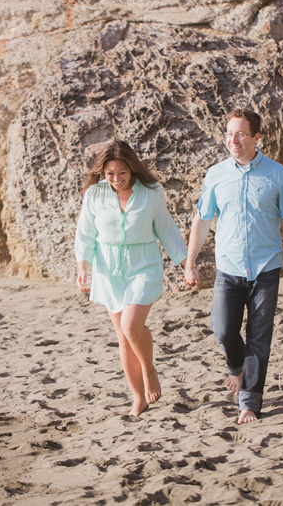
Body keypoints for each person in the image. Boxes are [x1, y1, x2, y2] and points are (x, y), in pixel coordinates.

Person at [184, 108, 283, 425]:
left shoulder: (278, 175)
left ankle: (249, 404)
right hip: (228, 268)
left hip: (266, 268)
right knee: (223, 329)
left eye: (241, 133)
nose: (233, 139)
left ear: (256, 137)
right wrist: (189, 262)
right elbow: (202, 220)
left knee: (259, 337)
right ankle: (236, 366)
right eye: (229, 133)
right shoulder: (216, 175)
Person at [75, 141, 187, 417]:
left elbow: (166, 229)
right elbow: (85, 234)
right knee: (123, 338)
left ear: (132, 168)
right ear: (102, 172)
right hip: (108, 269)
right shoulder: (95, 194)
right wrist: (82, 267)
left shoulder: (151, 192)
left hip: (143, 265)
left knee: (131, 325)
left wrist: (187, 264)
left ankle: (149, 369)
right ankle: (138, 398)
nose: (116, 179)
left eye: (122, 172)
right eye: (110, 173)